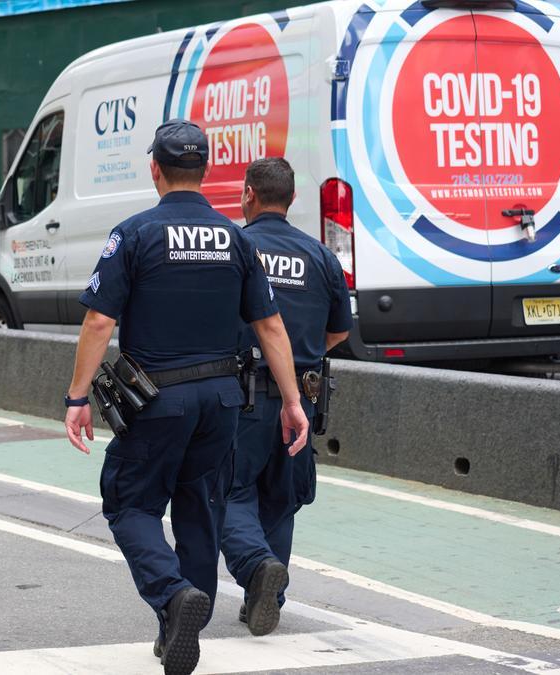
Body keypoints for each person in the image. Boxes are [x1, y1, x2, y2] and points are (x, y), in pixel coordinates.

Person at [62, 120, 308, 675]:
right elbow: (270, 327)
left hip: (155, 399)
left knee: (129, 504)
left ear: (155, 169)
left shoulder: (134, 234)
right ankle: (179, 623)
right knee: (201, 508)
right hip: (223, 399)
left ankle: (173, 598)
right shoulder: (237, 239)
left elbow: (100, 320)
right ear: (206, 172)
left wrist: (78, 396)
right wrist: (292, 402)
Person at [220, 158, 351, 637]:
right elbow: (338, 331)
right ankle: (267, 597)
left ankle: (256, 569)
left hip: (244, 394)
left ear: (249, 194)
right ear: (292, 198)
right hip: (304, 396)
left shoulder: (235, 245)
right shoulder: (320, 255)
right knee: (281, 497)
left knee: (228, 490)